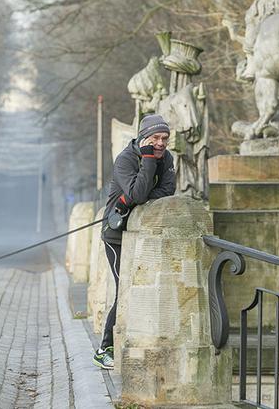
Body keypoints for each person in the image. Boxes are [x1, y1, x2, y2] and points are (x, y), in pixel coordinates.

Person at [93, 114, 176, 370]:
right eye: (155, 138)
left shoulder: (167, 159)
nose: (161, 143)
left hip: (143, 235)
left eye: (164, 138)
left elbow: (167, 191)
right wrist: (148, 158)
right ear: (143, 138)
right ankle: (104, 348)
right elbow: (138, 193)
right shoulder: (126, 160)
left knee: (140, 290)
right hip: (116, 235)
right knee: (124, 290)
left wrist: (143, 195)